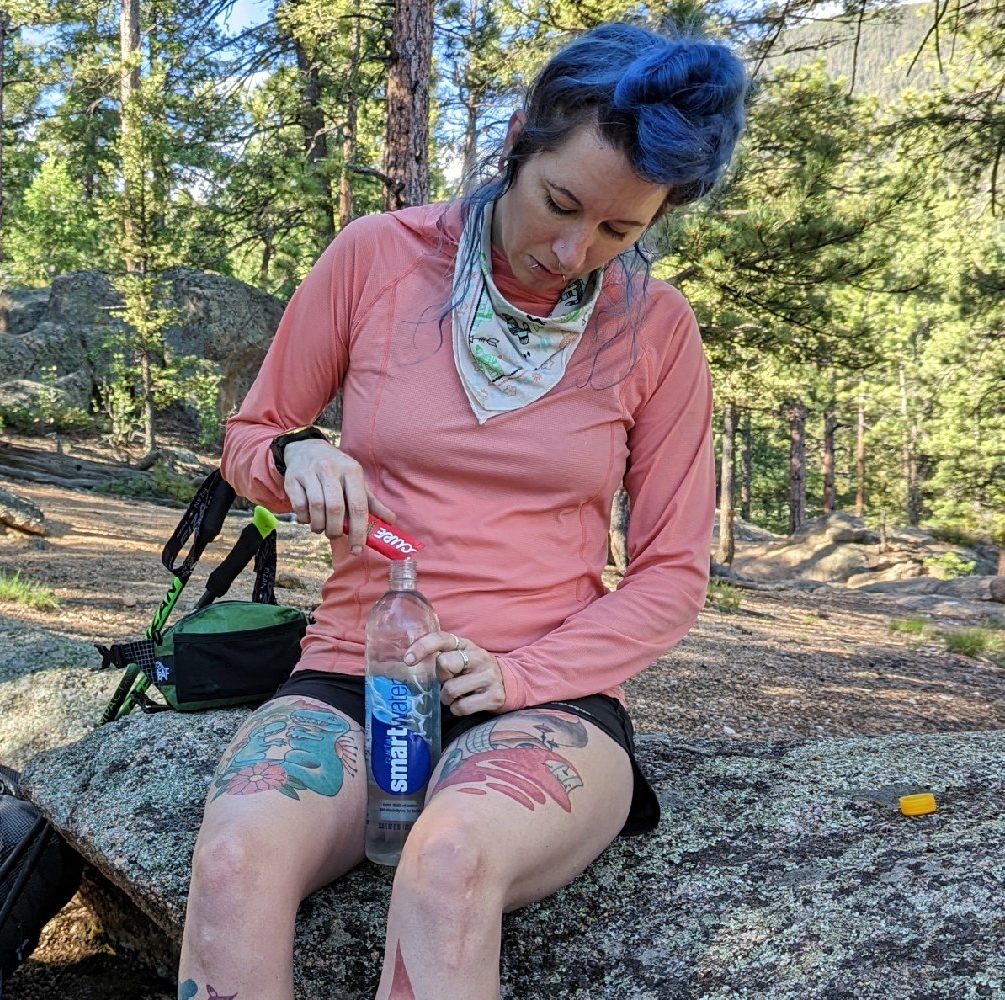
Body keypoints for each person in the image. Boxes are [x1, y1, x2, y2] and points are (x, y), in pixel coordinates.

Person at [177, 21, 749, 1000]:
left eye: (620, 232)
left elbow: (670, 573)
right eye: (560, 204)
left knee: (447, 863)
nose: (573, 252)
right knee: (233, 858)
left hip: (543, 692)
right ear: (518, 138)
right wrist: (296, 453)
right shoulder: (377, 258)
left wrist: (520, 672)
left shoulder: (658, 330)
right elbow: (251, 436)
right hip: (357, 670)